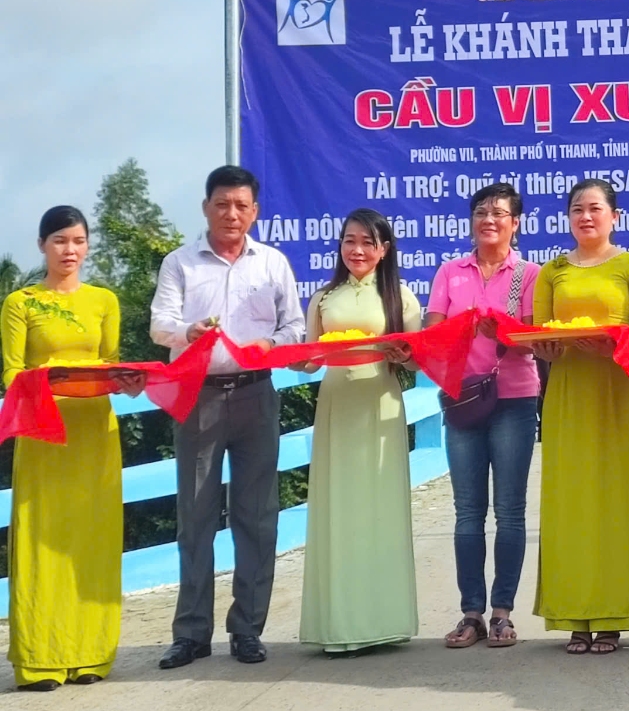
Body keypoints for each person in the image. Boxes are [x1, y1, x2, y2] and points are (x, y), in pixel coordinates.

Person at [151, 165, 305, 669]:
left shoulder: (273, 263)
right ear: (206, 208)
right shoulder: (180, 263)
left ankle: (248, 629)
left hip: (257, 395)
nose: (232, 214)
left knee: (257, 517)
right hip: (199, 397)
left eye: (241, 206)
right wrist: (187, 333)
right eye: (222, 204)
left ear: (255, 212)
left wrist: (270, 343)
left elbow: (295, 328)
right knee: (195, 517)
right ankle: (191, 633)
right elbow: (159, 325)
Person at [2, 206, 143, 691]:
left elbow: (107, 362)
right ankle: (40, 658)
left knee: (92, 538)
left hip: (93, 432)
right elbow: (11, 373)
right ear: (42, 244)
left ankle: (91, 654)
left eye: (79, 241)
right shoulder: (20, 302)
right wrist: (48, 379)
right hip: (43, 431)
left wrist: (124, 380)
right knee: (42, 540)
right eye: (60, 240)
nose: (70, 250)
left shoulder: (103, 299)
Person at [531, 178, 629, 655]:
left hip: (616, 391)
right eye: (577, 209)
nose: (586, 216)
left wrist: (612, 344)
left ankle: (614, 616)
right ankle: (573, 616)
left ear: (614, 216)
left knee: (617, 501)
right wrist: (548, 343)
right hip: (567, 392)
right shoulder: (553, 271)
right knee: (570, 503)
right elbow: (540, 333)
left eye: (596, 208)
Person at [296, 209, 423, 654]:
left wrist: (402, 351)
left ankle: (383, 621)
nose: (357, 250)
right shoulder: (323, 299)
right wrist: (283, 356)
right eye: (350, 241)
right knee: (338, 508)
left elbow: (415, 357)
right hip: (336, 405)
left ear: (384, 249)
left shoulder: (400, 297)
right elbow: (309, 358)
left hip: (379, 404)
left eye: (368, 242)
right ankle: (338, 624)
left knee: (378, 507)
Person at [426, 182, 541, 650]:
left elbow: (536, 338)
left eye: (498, 213)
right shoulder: (450, 272)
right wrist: (460, 326)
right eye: (480, 212)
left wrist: (503, 333)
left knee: (510, 511)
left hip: (514, 397)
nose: (488, 220)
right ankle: (470, 613)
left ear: (515, 223)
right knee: (468, 512)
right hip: (461, 399)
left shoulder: (529, 275)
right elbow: (432, 332)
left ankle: (502, 613)